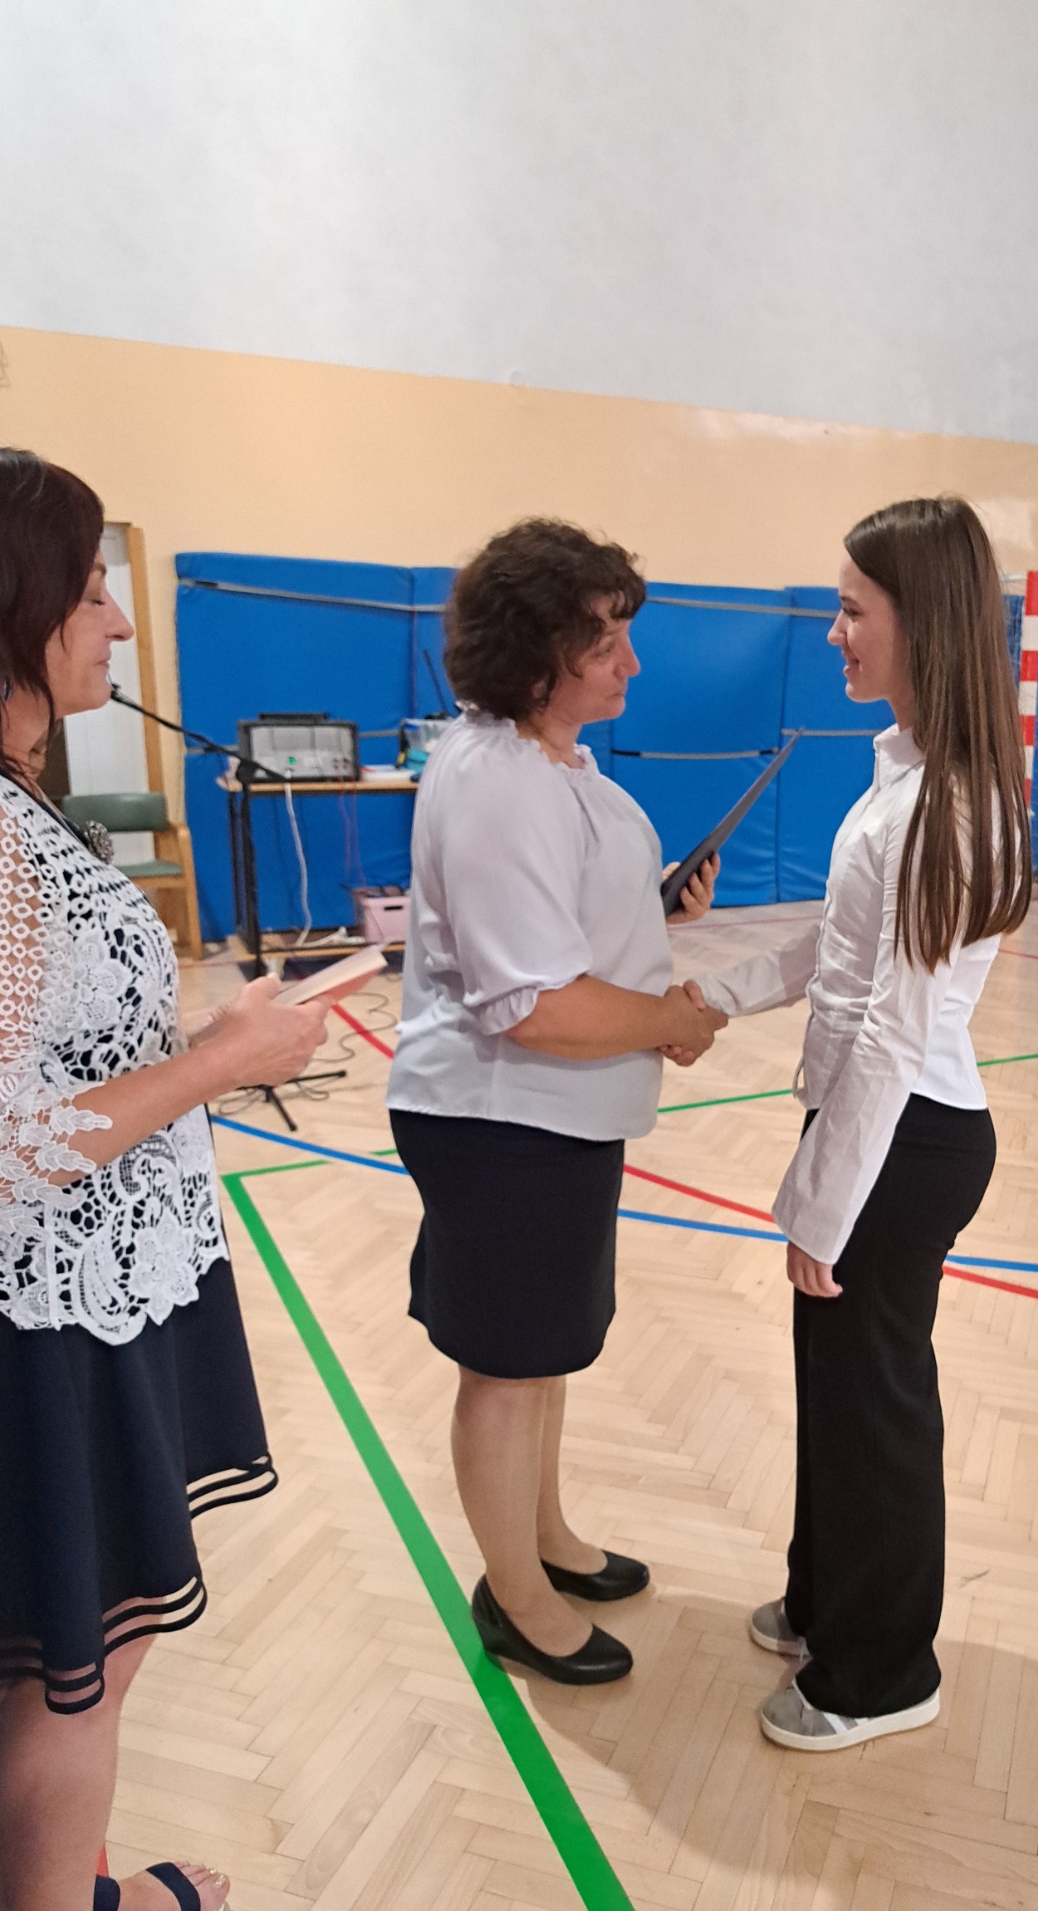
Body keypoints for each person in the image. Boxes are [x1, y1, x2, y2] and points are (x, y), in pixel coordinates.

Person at [0, 449, 333, 1911]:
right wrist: (220, 1060)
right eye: (88, 593)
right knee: (78, 1670)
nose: (119, 623)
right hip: (54, 1324)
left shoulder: (21, 803)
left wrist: (201, 1044)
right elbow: (1, 1149)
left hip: (91, 1293)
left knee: (52, 1661)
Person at [690, 496, 1031, 1753]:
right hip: (869, 1126)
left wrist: (823, 1207)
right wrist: (715, 995)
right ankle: (827, 1602)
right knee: (835, 1389)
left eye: (851, 610)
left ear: (919, 621)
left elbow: (894, 1031)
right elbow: (839, 953)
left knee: (877, 1407)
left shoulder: (953, 803)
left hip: (906, 1140)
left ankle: (882, 1673)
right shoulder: (904, 773)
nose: (834, 632)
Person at [385, 519, 725, 1689]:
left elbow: (559, 923)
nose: (631, 663)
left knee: (545, 1351)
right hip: (501, 1115)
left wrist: (654, 914)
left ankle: (546, 1538)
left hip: (558, 1111)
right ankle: (514, 1597)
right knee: (507, 1362)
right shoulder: (498, 780)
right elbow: (530, 1003)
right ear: (535, 653)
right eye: (604, 640)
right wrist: (669, 1016)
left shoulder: (557, 762)